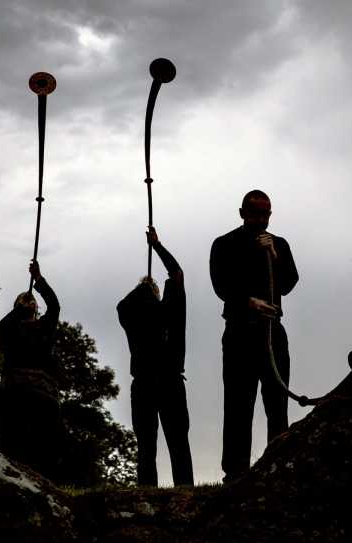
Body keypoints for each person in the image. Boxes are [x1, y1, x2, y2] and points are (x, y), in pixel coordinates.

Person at [209, 190, 299, 483]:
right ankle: (235, 474)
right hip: (239, 331)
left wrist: (273, 254)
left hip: (273, 332)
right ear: (242, 212)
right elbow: (221, 286)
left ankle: (278, 470)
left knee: (277, 402)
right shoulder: (224, 244)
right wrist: (248, 301)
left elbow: (288, 284)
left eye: (266, 214)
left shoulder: (279, 245)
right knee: (238, 404)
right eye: (255, 213)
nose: (261, 219)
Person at [117, 226, 194, 487]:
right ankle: (169, 489)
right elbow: (176, 274)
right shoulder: (142, 316)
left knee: (162, 443)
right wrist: (146, 286)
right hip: (157, 382)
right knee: (159, 444)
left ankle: (169, 489)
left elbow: (176, 274)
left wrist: (156, 249)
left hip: (158, 381)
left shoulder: (162, 312)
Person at [0, 260, 63, 479]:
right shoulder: (11, 329)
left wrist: (39, 281)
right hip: (15, 392)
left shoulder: (44, 326)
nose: (29, 302)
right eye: (24, 302)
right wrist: (18, 310)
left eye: (31, 301)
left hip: (43, 393)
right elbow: (0, 330)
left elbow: (54, 306)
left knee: (44, 444)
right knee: (13, 441)